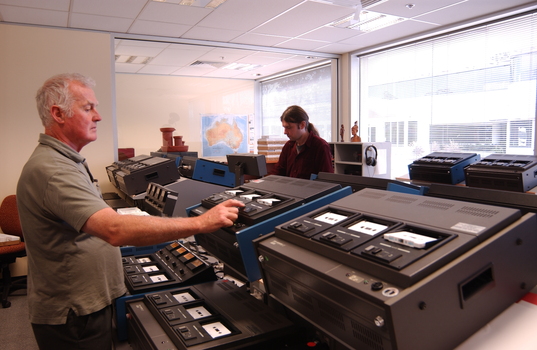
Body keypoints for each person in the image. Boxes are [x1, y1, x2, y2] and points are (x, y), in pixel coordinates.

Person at [16, 73, 245, 350]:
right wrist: (202, 222)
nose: (98, 116)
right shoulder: (53, 169)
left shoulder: (66, 161)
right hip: (73, 313)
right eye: (88, 108)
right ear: (58, 113)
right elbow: (114, 229)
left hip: (86, 305)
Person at [268, 105, 333, 179]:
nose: (285, 132)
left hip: (310, 190)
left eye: (288, 127)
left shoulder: (320, 146)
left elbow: (327, 180)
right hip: (289, 189)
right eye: (284, 127)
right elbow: (278, 171)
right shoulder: (288, 146)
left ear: (302, 125)